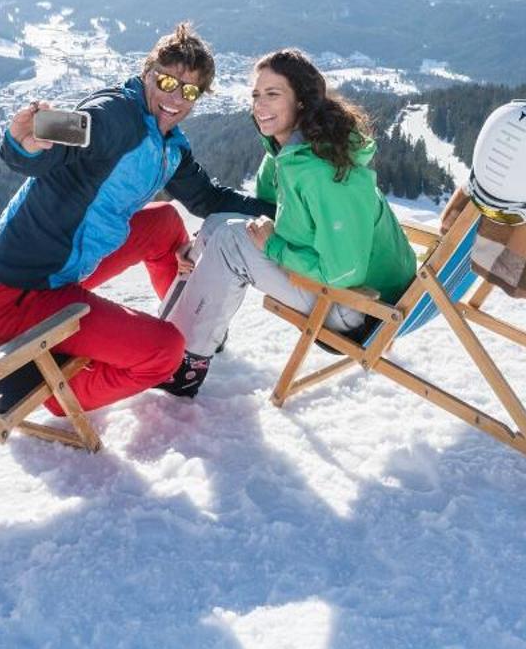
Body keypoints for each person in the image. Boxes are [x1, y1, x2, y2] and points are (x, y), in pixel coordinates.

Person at [0, 23, 272, 413]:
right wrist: (26, 144)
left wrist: (279, 213)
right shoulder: (114, 116)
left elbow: (206, 196)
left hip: (62, 268)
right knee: (164, 351)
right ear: (146, 74)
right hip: (19, 295)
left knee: (163, 224)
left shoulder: (169, 144)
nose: (175, 97)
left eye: (189, 91)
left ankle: (185, 322)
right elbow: (68, 136)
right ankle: (66, 395)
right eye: (166, 82)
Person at [157, 49, 417, 397]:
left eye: (273, 94)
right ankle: (163, 339)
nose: (260, 105)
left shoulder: (322, 171)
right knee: (218, 225)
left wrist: (274, 246)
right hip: (347, 292)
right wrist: (203, 244)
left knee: (232, 241)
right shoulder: (289, 155)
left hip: (359, 310)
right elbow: (269, 211)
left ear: (303, 103)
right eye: (256, 95)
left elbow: (343, 273)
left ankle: (184, 366)